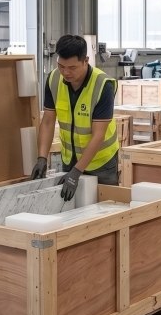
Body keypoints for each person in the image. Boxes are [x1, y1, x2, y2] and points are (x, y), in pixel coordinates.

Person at [30, 35, 120, 200]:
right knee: (71, 208)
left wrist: (77, 171)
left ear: (85, 61)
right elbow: (48, 122)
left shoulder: (102, 85)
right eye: (61, 66)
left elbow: (98, 135)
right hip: (70, 160)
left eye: (72, 67)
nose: (65, 72)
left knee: (105, 208)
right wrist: (42, 157)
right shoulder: (53, 80)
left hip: (101, 163)